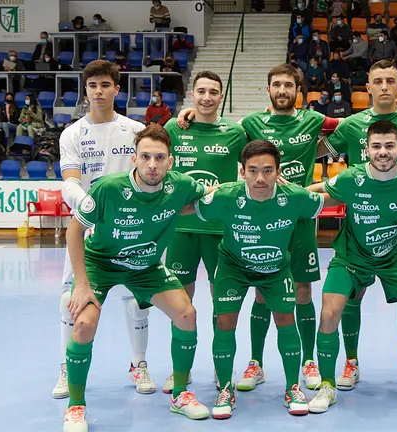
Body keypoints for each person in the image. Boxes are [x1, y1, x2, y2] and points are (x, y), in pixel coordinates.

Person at [175, 63, 359, 393]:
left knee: (301, 292)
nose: (283, 90)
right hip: (260, 218)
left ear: (298, 90)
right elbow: (218, 129)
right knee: (262, 292)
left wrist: (390, 108)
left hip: (298, 217)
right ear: (268, 89)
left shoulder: (314, 120)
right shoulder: (250, 124)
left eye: (289, 85)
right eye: (277, 85)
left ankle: (307, 362)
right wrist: (192, 112)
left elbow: (354, 125)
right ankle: (255, 363)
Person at [62, 124, 212, 432]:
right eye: (145, 157)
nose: (152, 164)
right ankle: (75, 406)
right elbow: (75, 230)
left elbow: (210, 194)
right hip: (101, 263)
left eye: (160, 158)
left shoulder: (181, 185)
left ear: (171, 161)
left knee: (187, 314)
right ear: (134, 159)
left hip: (145, 266)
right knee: (84, 323)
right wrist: (81, 283)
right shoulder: (109, 188)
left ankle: (181, 394)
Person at [306, 119, 397, 414]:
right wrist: (280, 191)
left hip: (393, 256)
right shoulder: (352, 178)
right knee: (329, 311)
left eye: (389, 146)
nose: (382, 152)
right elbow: (317, 190)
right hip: (351, 256)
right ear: (367, 149)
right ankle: (327, 385)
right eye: (376, 146)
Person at [320, 60, 397, 390]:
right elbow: (316, 149)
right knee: (348, 299)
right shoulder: (354, 124)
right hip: (359, 226)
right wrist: (274, 165)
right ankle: (351, 362)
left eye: (391, 81)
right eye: (378, 81)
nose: (385, 87)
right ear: (367, 87)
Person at [199, 140, 337, 418]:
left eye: (267, 170)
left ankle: (292, 387)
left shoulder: (295, 196)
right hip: (232, 267)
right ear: (242, 172)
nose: (260, 178)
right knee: (225, 320)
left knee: (286, 320)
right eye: (252, 171)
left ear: (278, 171)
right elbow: (188, 206)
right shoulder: (226, 196)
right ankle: (226, 388)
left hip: (275, 268)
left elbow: (331, 199)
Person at [52, 60, 153, 401]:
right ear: (86, 90)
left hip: (131, 229)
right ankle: (67, 367)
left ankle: (138, 363)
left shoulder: (135, 131)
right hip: (87, 228)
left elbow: (151, 175)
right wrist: (88, 208)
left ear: (116, 89)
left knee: (138, 301)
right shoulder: (72, 134)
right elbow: (69, 182)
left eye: (105, 85)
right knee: (72, 299)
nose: (99, 91)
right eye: (93, 85)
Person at [162, 69, 249, 390]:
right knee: (180, 304)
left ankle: (220, 365)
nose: (207, 97)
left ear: (221, 95)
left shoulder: (236, 131)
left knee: (221, 302)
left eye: (213, 92)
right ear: (192, 95)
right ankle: (179, 371)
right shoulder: (174, 127)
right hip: (181, 228)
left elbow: (260, 158)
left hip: (220, 230)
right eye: (201, 91)